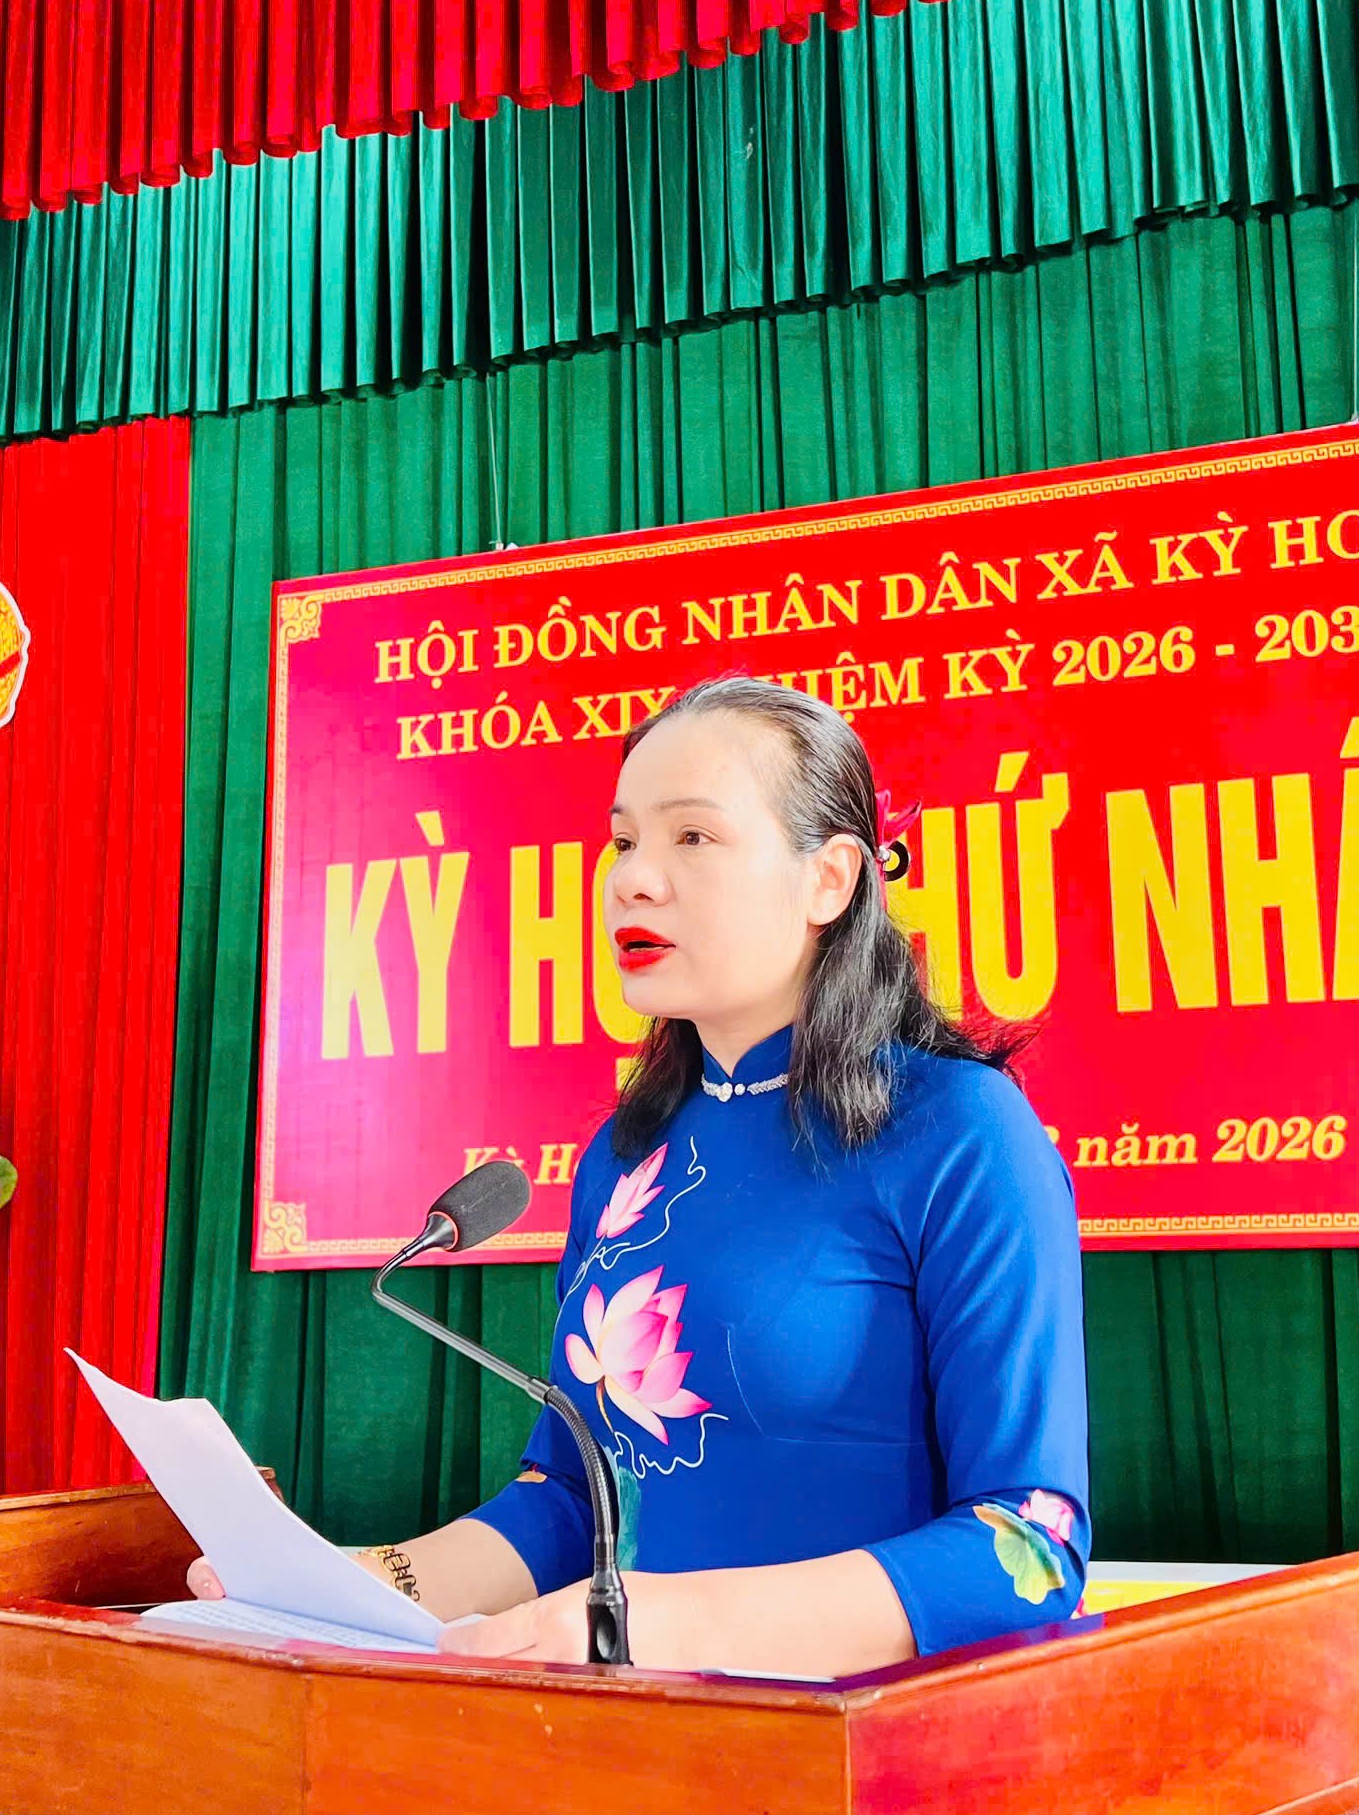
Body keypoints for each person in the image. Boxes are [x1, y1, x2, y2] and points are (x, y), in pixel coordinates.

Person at [194, 674, 1090, 1678]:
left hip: (866, 1745)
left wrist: (659, 1623)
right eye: (623, 841)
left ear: (830, 879)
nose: (632, 880)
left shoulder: (962, 1132)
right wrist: (355, 1580)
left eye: (692, 837)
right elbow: (570, 1503)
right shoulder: (625, 1158)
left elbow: (1028, 1547)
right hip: (646, 1732)